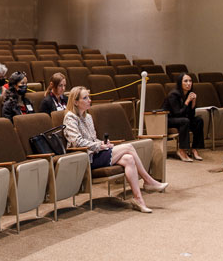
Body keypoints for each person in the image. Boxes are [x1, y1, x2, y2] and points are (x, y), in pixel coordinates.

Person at [62, 86, 167, 214]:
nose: (89, 100)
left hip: (96, 152)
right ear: (76, 102)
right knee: (128, 147)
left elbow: (93, 138)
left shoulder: (88, 117)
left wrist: (103, 143)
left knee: (129, 159)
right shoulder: (70, 117)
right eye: (85, 98)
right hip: (85, 157)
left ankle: (138, 200)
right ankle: (148, 180)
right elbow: (77, 142)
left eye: (89, 97)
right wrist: (100, 146)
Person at [164, 74, 205, 162]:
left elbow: (191, 115)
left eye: (190, 81)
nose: (188, 83)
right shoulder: (173, 95)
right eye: (185, 81)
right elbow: (177, 113)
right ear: (180, 83)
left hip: (181, 119)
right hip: (168, 119)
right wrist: (187, 102)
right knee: (185, 121)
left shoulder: (188, 94)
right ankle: (181, 150)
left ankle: (194, 149)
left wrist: (193, 102)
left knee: (199, 120)